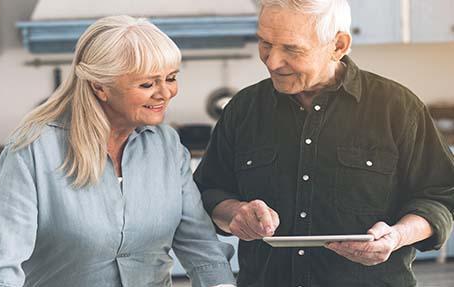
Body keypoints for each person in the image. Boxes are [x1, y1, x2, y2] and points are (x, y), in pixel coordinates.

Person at [193, 0, 454, 286]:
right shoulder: (243, 109)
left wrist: (397, 236)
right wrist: (234, 214)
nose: (271, 61)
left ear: (338, 46)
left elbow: (441, 196)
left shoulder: (398, 107)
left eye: (291, 49)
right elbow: (208, 191)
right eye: (265, 42)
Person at [0, 15, 236, 287]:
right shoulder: (35, 150)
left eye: (170, 78)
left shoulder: (167, 146)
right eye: (147, 84)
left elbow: (201, 245)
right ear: (100, 87)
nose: (165, 93)